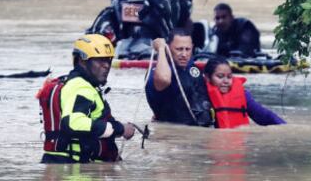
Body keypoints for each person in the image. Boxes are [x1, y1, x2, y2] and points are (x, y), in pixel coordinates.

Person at [41, 34, 135, 163]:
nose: (106, 66)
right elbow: (73, 123)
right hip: (76, 174)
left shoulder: (74, 83)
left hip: (61, 166)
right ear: (82, 61)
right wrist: (120, 128)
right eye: (100, 60)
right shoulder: (81, 88)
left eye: (108, 60)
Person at [146, 29, 213, 126]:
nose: (184, 54)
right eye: (179, 49)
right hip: (172, 134)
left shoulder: (190, 66)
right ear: (168, 48)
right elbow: (163, 79)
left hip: (201, 131)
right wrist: (161, 49)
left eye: (188, 49)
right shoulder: (156, 73)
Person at [203, 57, 286, 128]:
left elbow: (265, 116)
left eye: (229, 77)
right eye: (220, 76)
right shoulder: (199, 96)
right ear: (207, 77)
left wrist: (285, 128)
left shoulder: (243, 96)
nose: (226, 81)